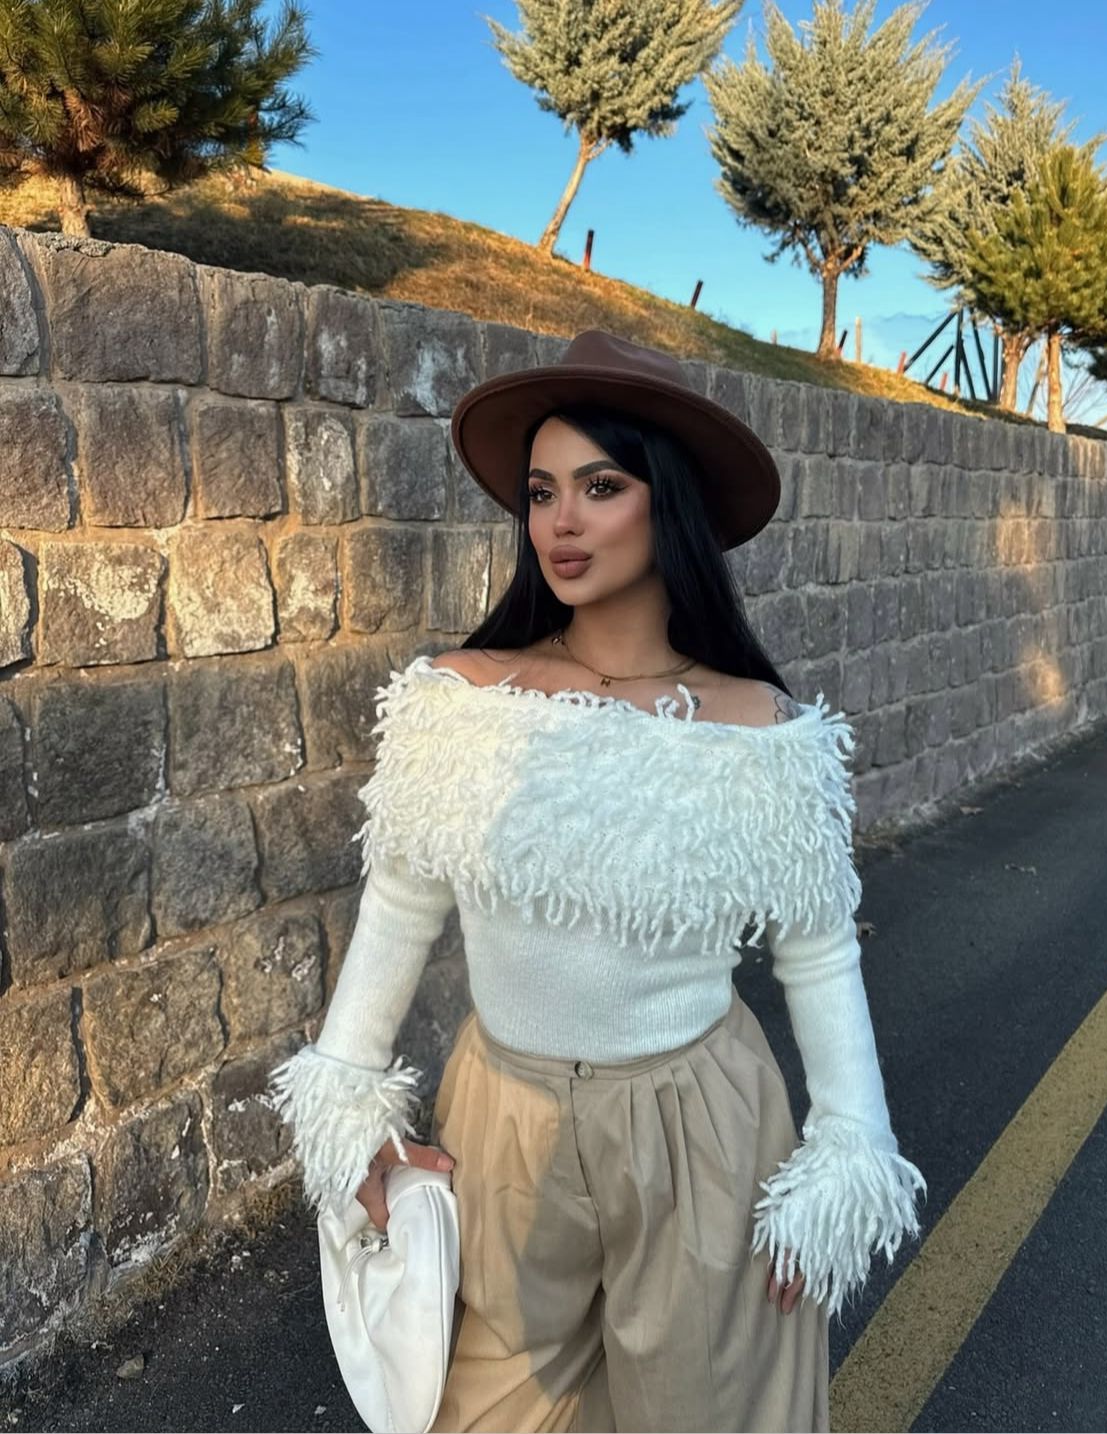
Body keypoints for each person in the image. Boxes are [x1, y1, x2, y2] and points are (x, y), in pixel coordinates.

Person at [272, 330, 926, 1434]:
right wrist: (349, 1120)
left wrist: (845, 1150)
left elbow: (815, 947)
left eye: (600, 486)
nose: (560, 522)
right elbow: (397, 910)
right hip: (501, 1115)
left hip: (704, 1122)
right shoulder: (459, 698)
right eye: (540, 492)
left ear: (663, 503)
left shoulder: (760, 727)